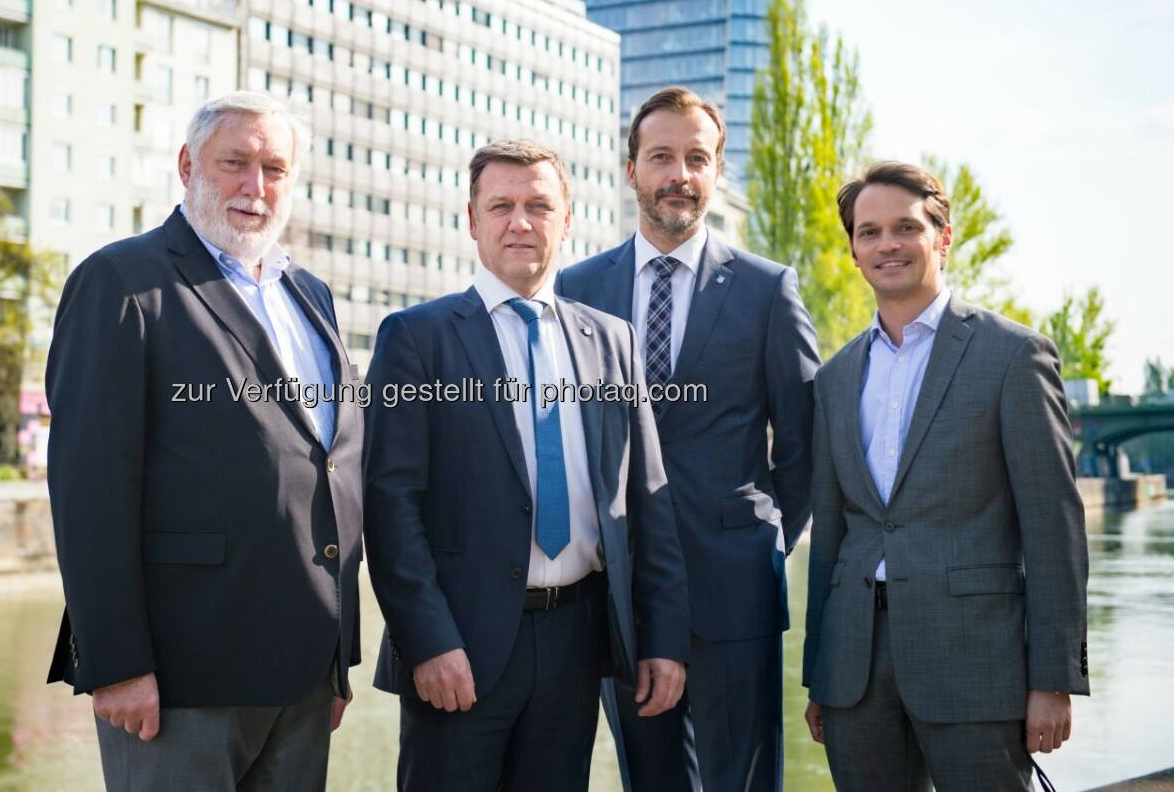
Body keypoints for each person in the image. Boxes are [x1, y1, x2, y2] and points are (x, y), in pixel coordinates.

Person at [44, 92, 364, 792]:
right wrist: (117, 661)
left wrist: (339, 660)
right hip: (179, 677)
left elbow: (330, 465)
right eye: (235, 163)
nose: (255, 187)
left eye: (274, 168)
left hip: (304, 675)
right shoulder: (122, 282)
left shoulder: (311, 293)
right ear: (188, 165)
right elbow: (88, 487)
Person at [364, 139, 690, 791]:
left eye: (539, 205)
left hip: (576, 641)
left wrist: (664, 637)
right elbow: (390, 507)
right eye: (502, 205)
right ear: (472, 219)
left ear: (566, 219)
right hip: (460, 646)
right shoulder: (416, 338)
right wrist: (427, 642)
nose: (521, 221)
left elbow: (647, 501)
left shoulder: (612, 340)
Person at [558, 87, 819, 792]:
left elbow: (804, 447)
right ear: (631, 169)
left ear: (715, 169)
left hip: (734, 590)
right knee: (651, 779)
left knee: (742, 781)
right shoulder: (575, 288)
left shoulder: (768, 290)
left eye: (697, 158)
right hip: (618, 592)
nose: (680, 173)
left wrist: (760, 541)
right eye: (662, 156)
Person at [803, 160, 1089, 790]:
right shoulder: (834, 378)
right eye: (869, 231)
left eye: (906, 227)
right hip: (855, 672)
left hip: (975, 662)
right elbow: (833, 537)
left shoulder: (1013, 356)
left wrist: (1053, 678)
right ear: (853, 249)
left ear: (944, 236)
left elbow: (1053, 527)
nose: (888, 245)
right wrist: (821, 673)